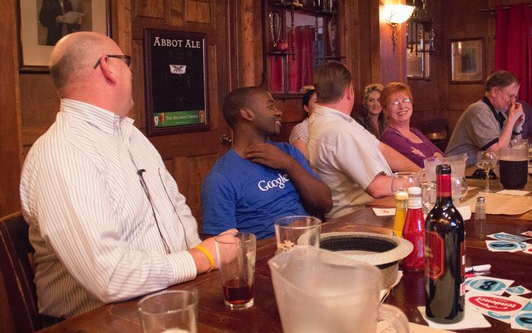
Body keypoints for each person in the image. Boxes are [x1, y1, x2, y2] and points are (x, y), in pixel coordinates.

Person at [19, 32, 233, 320]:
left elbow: (176, 208)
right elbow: (110, 277)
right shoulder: (62, 153)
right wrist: (202, 258)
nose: (131, 71)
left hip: (169, 303)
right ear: (108, 66)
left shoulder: (131, 135)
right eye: (126, 61)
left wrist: (199, 275)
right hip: (99, 321)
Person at [201, 87, 332, 239]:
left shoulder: (287, 152)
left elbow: (326, 203)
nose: (278, 112)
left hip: (310, 240)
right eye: (270, 106)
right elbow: (220, 247)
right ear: (247, 114)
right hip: (268, 255)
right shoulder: (220, 178)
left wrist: (288, 164)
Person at [307, 62, 420, 218]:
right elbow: (378, 187)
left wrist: (421, 172)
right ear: (349, 92)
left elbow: (380, 148)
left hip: (373, 211)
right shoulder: (340, 131)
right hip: (359, 219)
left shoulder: (330, 120)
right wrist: (420, 180)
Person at [445, 70, 526, 166]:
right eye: (510, 96)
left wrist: (517, 128)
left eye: (515, 97)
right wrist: (511, 119)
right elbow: (497, 154)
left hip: (478, 171)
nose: (513, 102)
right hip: (459, 172)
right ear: (495, 92)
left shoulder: (499, 113)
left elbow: (516, 152)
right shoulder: (479, 111)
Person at [379, 82, 444, 168]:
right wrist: (436, 156)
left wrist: (434, 158)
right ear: (385, 110)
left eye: (405, 100)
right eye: (394, 103)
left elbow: (445, 158)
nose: (402, 106)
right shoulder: (389, 136)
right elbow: (422, 165)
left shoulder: (415, 131)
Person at [288, 86, 317, 157]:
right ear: (306, 108)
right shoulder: (300, 129)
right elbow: (302, 163)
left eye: (323, 102)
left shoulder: (329, 124)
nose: (321, 105)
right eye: (316, 102)